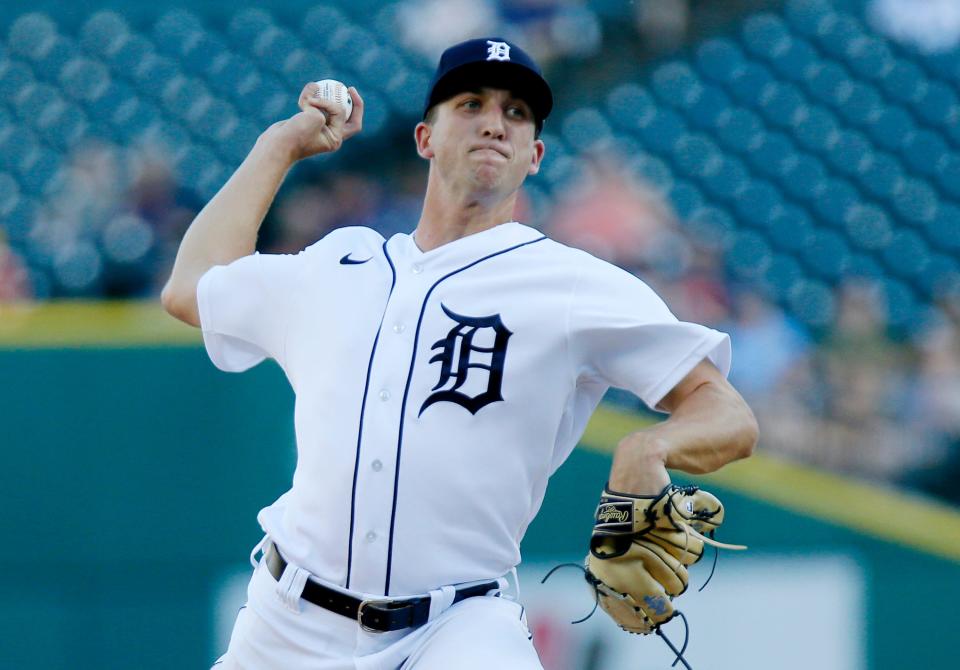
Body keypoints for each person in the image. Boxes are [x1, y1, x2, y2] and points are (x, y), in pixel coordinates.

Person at [161, 37, 758, 670]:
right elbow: (190, 286)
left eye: (517, 113)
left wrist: (648, 448)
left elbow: (728, 414)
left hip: (458, 629)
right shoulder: (340, 265)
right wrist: (280, 145)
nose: (495, 123)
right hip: (287, 625)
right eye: (471, 103)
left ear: (534, 155)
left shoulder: (571, 284)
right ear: (425, 138)